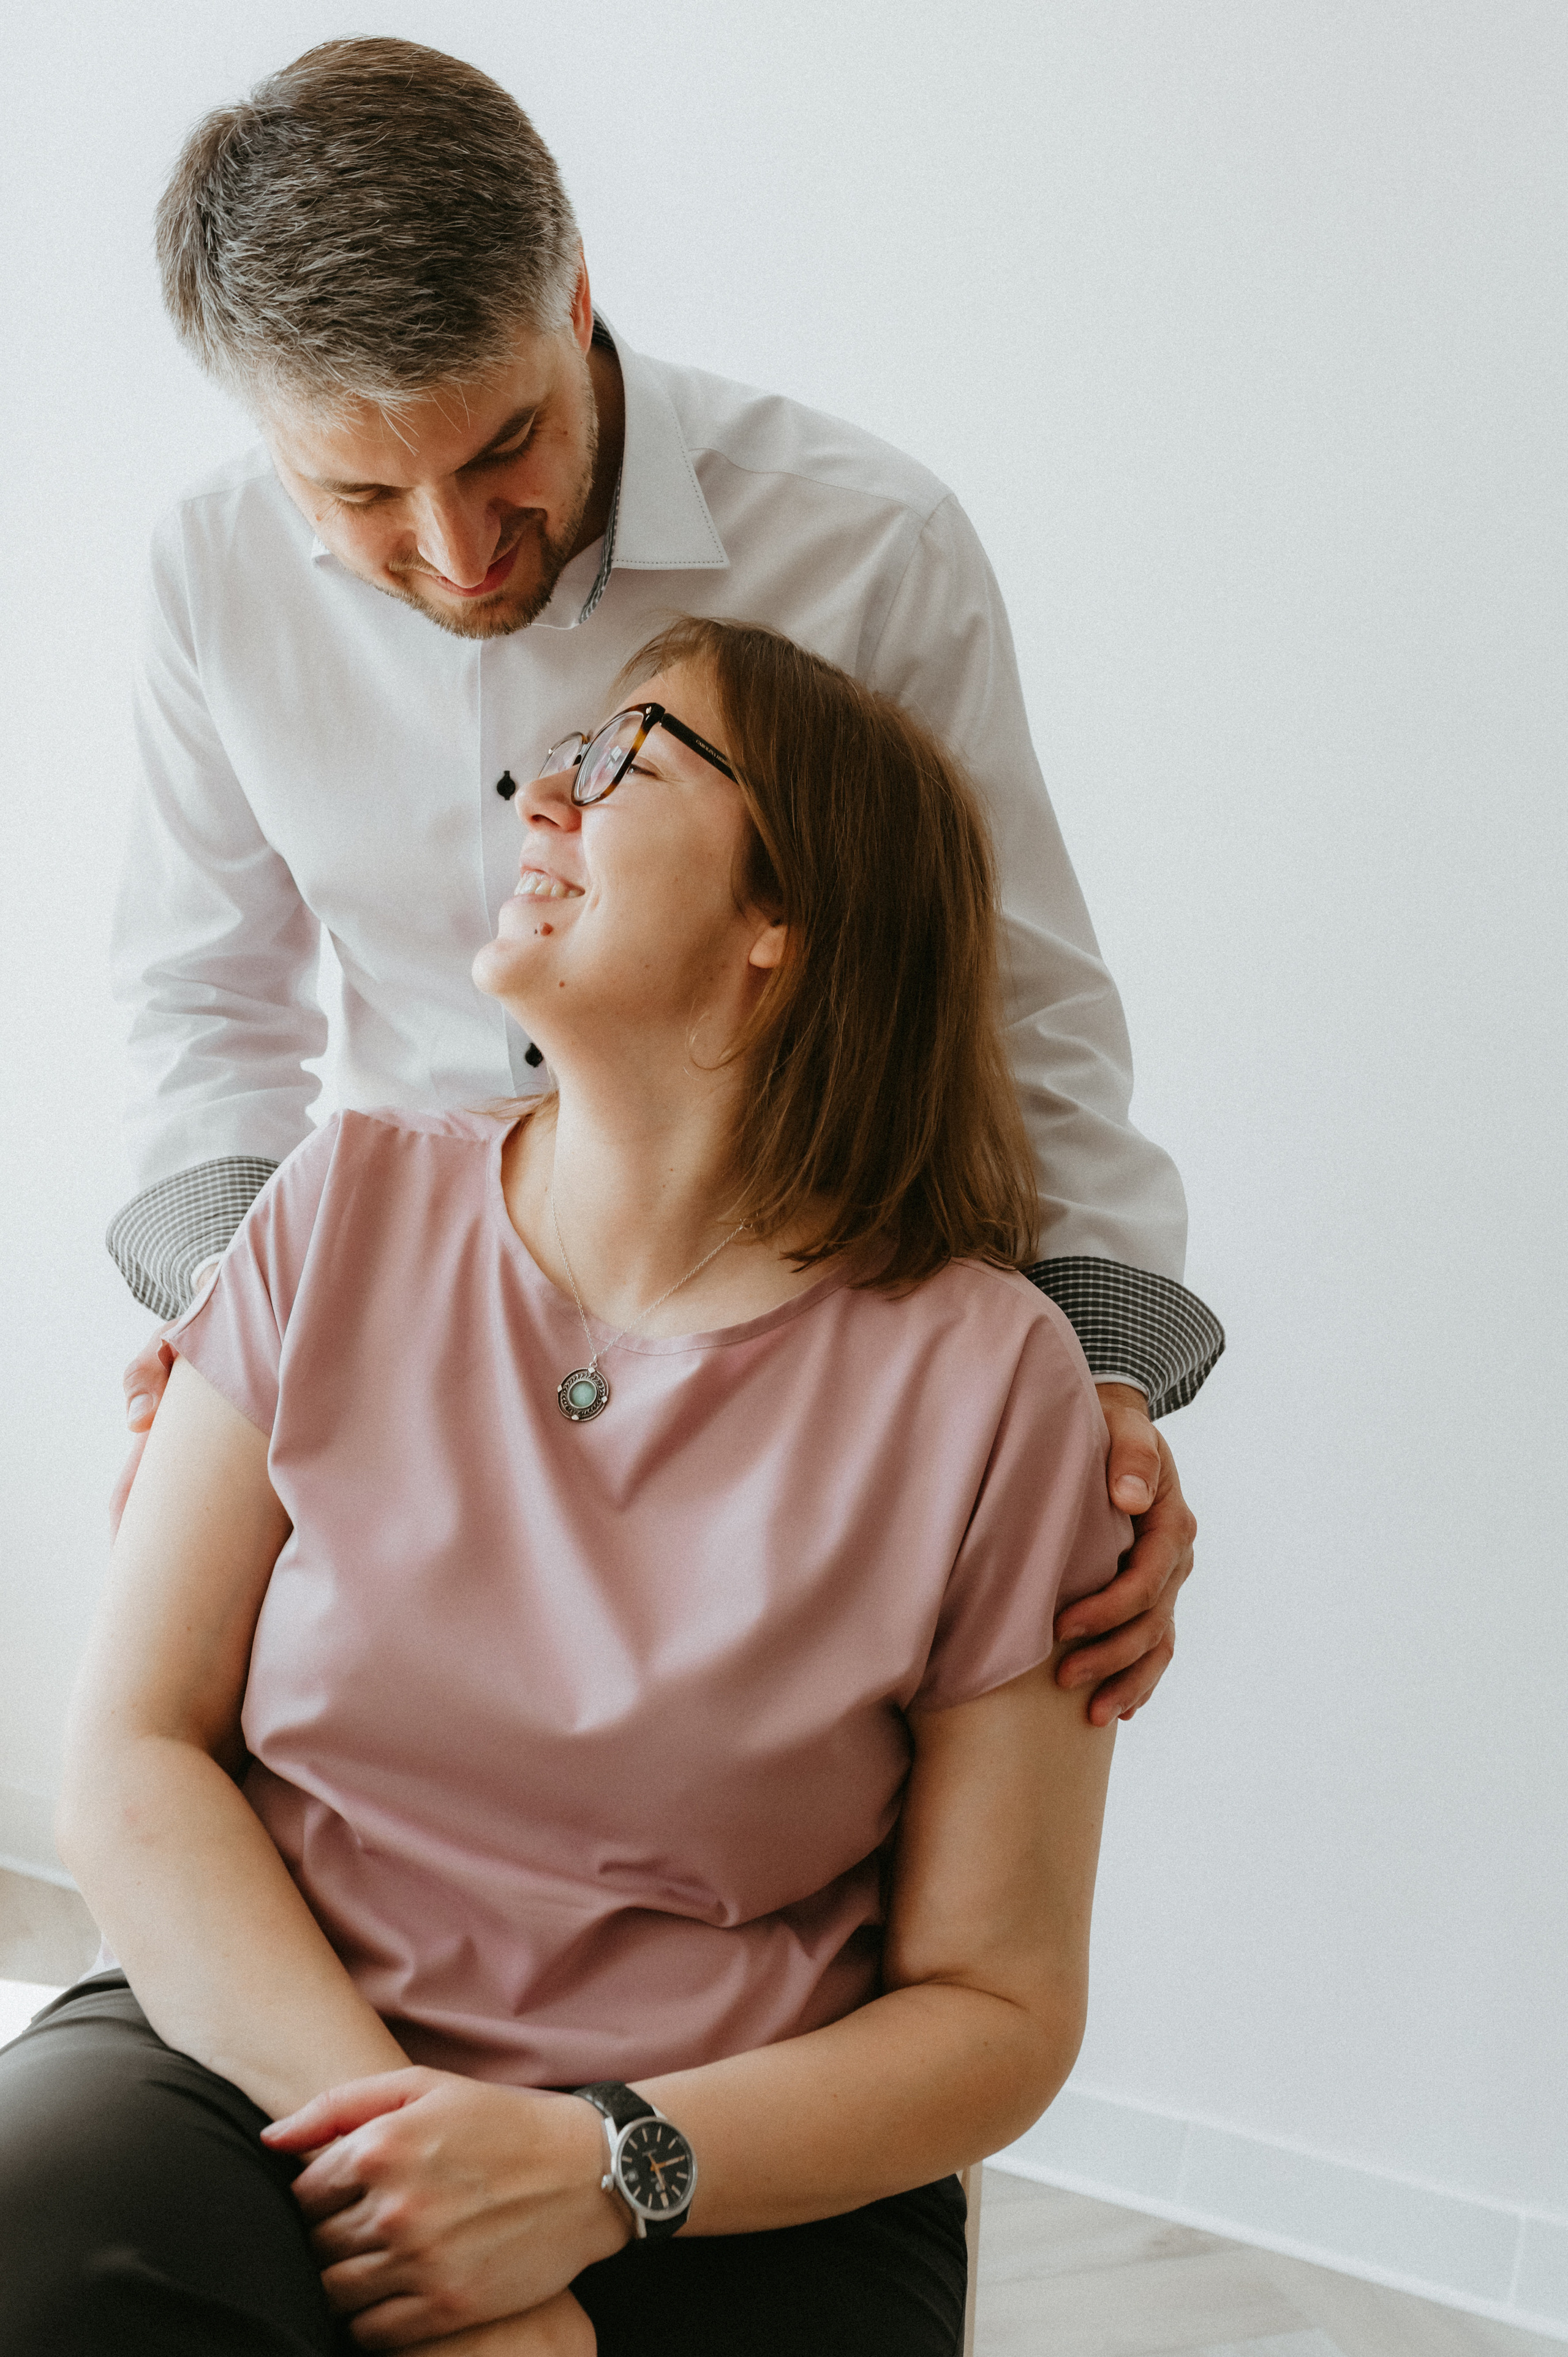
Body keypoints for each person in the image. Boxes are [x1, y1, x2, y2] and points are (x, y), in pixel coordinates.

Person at [6, 621, 1128, 2355]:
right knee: (40, 2237)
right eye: (559, 757)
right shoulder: (338, 1206)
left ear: (782, 920)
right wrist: (418, 2181)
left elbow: (998, 2005)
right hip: (265, 2046)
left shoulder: (992, 1383)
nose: (541, 795)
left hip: (728, 2148)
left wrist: (602, 2169)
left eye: (623, 761)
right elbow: (130, 1758)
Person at [106, 38, 1218, 1725]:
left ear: (576, 303)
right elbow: (200, 998)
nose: (459, 550)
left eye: (505, 447)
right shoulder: (209, 573)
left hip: (803, 1389)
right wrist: (233, 1340)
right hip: (380, 1351)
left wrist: (1092, 1390)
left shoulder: (870, 545)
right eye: (363, 494)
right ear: (268, 440)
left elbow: (1018, 1005)